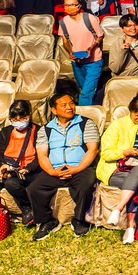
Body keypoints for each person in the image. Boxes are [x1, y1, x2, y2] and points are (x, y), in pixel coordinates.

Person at [29, 91, 100, 240]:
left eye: (72, 103)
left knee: (86, 183)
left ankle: (79, 220)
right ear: (54, 110)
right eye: (64, 105)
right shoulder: (45, 130)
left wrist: (78, 169)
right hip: (56, 169)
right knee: (34, 188)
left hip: (80, 168)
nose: (70, 107)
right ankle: (47, 221)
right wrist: (53, 172)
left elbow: (93, 149)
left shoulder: (86, 123)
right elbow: (42, 155)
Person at [96, 93, 138, 242]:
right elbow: (106, 154)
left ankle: (118, 208)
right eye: (137, 114)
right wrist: (125, 152)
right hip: (117, 170)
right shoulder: (117, 125)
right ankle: (130, 227)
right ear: (130, 111)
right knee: (134, 185)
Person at [0, 101, 40, 234]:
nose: (19, 122)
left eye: (23, 119)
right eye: (14, 119)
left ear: (29, 115)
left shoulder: (38, 131)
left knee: (12, 183)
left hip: (26, 170)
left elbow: (40, 157)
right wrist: (2, 166)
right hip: (5, 168)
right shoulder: (6, 132)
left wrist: (28, 168)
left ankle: (27, 207)